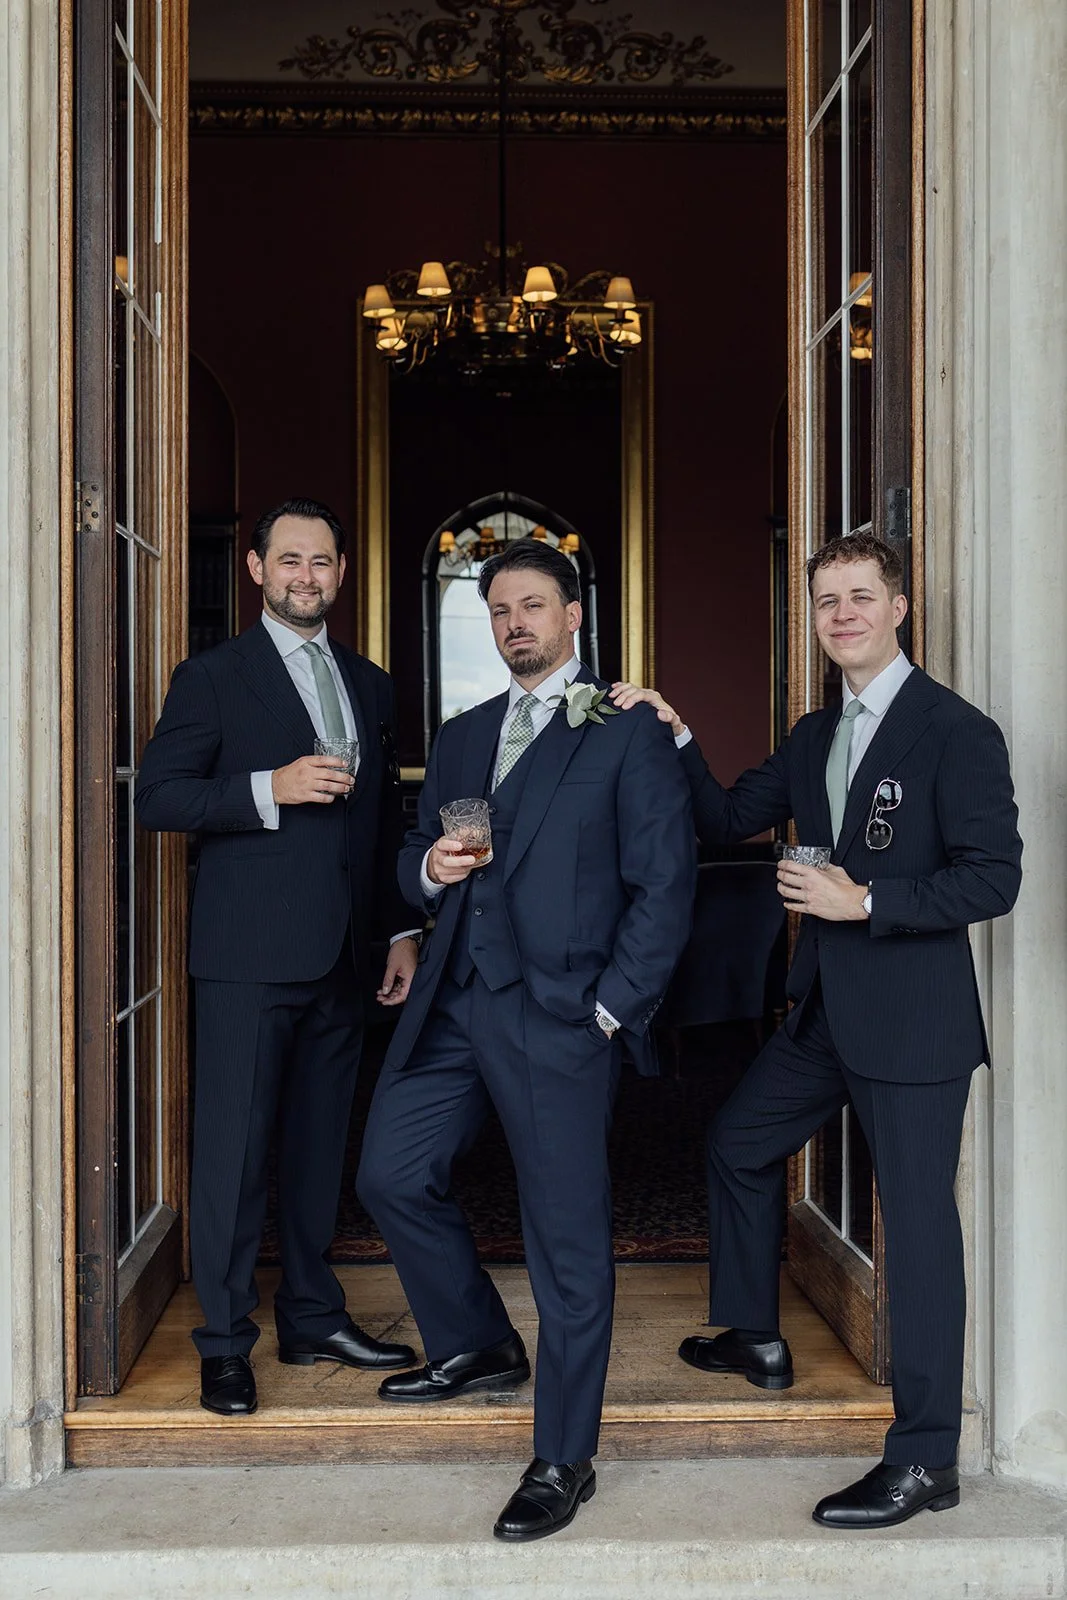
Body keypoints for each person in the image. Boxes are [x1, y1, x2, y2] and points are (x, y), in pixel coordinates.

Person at [610, 532, 1022, 1529]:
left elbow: (992, 877)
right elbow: (717, 817)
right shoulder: (811, 737)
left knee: (918, 1238)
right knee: (736, 1144)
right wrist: (669, 730)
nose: (839, 614)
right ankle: (753, 1333)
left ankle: (924, 1460)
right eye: (824, 600)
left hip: (915, 1025)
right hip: (823, 1013)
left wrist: (861, 901)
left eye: (857, 596)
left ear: (897, 606)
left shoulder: (953, 730)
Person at [356, 537, 695, 1542]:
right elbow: (417, 845)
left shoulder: (624, 731)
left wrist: (605, 1009)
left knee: (566, 1241)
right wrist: (428, 880)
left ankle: (563, 1455)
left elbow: (663, 887)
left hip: (558, 1014)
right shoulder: (463, 737)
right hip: (458, 999)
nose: (514, 624)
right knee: (387, 1171)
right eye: (498, 610)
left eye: (532, 606)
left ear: (572, 616)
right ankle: (475, 1342)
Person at [135, 497, 419, 1417]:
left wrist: (398, 931)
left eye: (323, 562)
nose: (307, 576)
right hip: (247, 960)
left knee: (314, 1154)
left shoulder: (371, 685)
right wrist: (271, 786)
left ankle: (310, 1315)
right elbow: (161, 797)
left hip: (342, 960)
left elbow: (380, 831)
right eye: (290, 560)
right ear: (257, 569)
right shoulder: (212, 676)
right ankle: (223, 1341)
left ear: (342, 572)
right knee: (232, 1155)